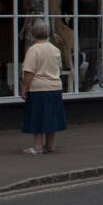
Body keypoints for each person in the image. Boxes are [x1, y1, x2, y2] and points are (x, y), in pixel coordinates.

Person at [20, 18, 68, 154]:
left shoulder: (33, 50)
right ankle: (51, 145)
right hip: (55, 87)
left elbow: (28, 73)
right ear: (47, 33)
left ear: (33, 34)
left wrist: (24, 89)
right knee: (51, 117)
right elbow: (59, 67)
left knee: (38, 117)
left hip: (38, 89)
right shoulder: (55, 50)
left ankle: (37, 147)